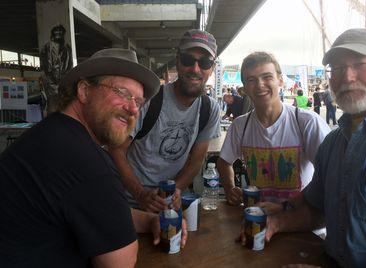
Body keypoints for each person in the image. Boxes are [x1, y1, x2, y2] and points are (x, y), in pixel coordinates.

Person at [0, 48, 188, 267]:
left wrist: (150, 220)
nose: (132, 109)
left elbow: (99, 212)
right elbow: (120, 263)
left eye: (139, 101)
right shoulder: (86, 163)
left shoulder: (52, 133)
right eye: (122, 93)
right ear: (84, 91)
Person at [256, 28, 366, 267]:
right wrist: (278, 222)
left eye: (360, 63)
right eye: (338, 68)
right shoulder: (334, 142)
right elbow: (318, 209)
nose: (347, 77)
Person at [109, 29, 220, 213]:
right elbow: (116, 150)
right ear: (177, 60)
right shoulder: (150, 99)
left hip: (166, 205)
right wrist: (140, 194)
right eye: (187, 60)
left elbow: (196, 161)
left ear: (212, 68)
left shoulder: (210, 109)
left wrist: (175, 190)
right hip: (128, 203)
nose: (195, 69)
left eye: (205, 62)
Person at [217, 52, 330, 205]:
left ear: (280, 81)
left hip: (302, 220)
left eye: (267, 77)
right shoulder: (240, 126)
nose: (259, 85)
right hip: (257, 218)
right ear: (245, 89)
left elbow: (330, 175)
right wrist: (230, 188)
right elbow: (224, 162)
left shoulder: (307, 122)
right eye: (251, 80)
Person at [39, 24, 73, 114]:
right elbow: (47, 66)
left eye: (60, 32)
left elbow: (69, 65)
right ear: (52, 34)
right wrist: (51, 81)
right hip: (52, 84)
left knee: (64, 106)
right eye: (56, 32)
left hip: (63, 83)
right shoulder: (48, 46)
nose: (58, 34)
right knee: (53, 107)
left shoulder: (67, 48)